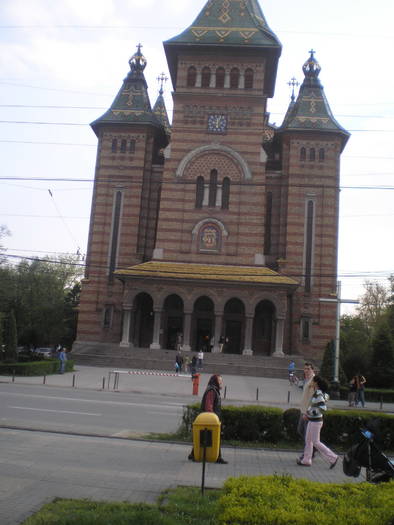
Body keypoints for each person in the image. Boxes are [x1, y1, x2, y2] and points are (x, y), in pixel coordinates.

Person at [296, 375, 338, 468]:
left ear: (315, 383)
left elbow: (322, 408)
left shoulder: (318, 394)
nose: (310, 382)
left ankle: (333, 457)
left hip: (316, 421)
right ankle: (306, 460)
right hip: (313, 420)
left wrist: (309, 414)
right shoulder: (318, 393)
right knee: (309, 440)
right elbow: (314, 406)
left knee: (315, 442)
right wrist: (308, 413)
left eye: (312, 381)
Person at [188, 374, 228, 464]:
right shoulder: (212, 391)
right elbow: (208, 406)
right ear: (215, 381)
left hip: (210, 418)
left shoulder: (214, 390)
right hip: (210, 419)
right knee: (213, 438)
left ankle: (193, 454)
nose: (221, 382)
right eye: (219, 381)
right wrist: (213, 419)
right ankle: (218, 457)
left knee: (203, 438)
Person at [297, 362, 315, 443]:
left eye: (308, 369)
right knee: (301, 430)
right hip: (303, 410)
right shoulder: (307, 379)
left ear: (312, 370)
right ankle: (311, 449)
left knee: (305, 432)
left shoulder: (313, 380)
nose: (306, 371)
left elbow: (312, 398)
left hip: (307, 411)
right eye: (305, 369)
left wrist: (308, 412)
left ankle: (309, 451)